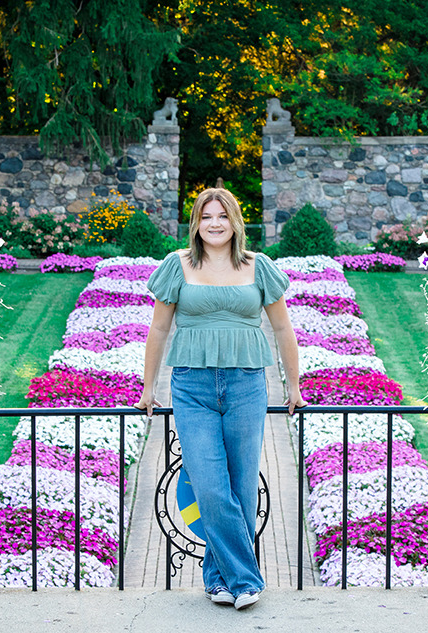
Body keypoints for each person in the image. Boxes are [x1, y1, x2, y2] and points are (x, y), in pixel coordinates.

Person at [134, 187, 306, 610]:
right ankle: (248, 579)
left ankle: (219, 581)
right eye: (206, 216)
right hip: (192, 386)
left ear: (235, 223)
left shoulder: (257, 266)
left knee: (243, 487)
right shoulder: (178, 266)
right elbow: (158, 330)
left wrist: (293, 386)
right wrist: (147, 387)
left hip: (247, 384)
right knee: (210, 486)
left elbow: (283, 329)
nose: (215, 223)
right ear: (196, 222)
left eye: (222, 216)